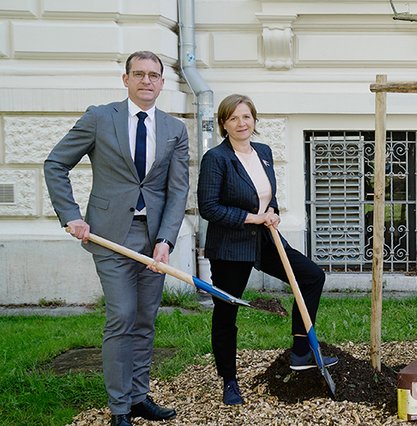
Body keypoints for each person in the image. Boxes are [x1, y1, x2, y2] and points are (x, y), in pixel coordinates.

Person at [44, 51, 189, 426]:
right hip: (110, 236)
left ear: (162, 82)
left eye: (153, 75)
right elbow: (56, 163)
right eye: (138, 74)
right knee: (122, 316)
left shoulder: (175, 129)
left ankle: (139, 397)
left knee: (145, 318)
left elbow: (177, 191)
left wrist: (167, 240)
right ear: (125, 80)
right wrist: (71, 215)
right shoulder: (100, 118)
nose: (146, 81)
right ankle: (119, 408)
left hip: (153, 237)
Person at [197, 94, 337, 406]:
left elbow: (264, 195)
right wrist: (253, 217)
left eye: (246, 116)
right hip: (230, 245)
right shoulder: (216, 159)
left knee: (312, 276)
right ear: (223, 124)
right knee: (226, 310)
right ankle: (229, 379)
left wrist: (270, 211)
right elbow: (209, 208)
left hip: (264, 238)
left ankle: (301, 351)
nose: (241, 123)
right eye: (233, 118)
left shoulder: (263, 152)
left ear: (254, 120)